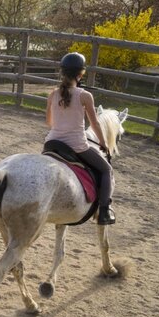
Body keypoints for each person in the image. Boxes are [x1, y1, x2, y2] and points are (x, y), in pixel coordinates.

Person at [45, 52, 115, 225]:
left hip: (51, 142)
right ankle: (104, 211)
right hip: (76, 145)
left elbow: (49, 121)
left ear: (62, 72)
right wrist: (103, 143)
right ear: (81, 74)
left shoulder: (53, 94)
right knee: (106, 170)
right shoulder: (84, 95)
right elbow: (95, 124)